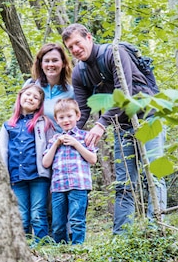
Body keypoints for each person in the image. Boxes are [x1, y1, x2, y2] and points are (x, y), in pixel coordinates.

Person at [61, 23, 167, 234]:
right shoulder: (79, 73)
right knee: (124, 183)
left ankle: (157, 232)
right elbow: (82, 110)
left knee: (154, 176)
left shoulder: (114, 54)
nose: (74, 49)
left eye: (77, 43)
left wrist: (101, 125)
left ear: (89, 37)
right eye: (70, 47)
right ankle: (122, 238)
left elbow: (123, 92)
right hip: (121, 126)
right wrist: (67, 136)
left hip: (148, 118)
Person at [0, 84, 54, 242]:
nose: (31, 98)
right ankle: (24, 247)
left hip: (38, 176)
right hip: (17, 176)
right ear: (20, 96)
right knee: (21, 215)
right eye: (28, 94)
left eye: (36, 98)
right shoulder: (9, 125)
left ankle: (41, 245)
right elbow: (3, 150)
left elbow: (51, 146)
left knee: (38, 213)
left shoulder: (44, 123)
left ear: (39, 105)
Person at [42, 98, 97, 244]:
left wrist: (76, 144)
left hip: (79, 185)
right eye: (61, 117)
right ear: (56, 120)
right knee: (58, 223)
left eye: (69, 116)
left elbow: (92, 159)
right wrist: (56, 144)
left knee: (77, 219)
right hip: (59, 187)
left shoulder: (85, 137)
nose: (66, 120)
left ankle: (78, 248)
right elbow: (46, 163)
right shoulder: (53, 139)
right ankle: (61, 248)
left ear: (77, 116)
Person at [23, 43, 75, 131]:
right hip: (30, 142)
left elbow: (74, 123)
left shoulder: (71, 92)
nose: (50, 64)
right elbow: (17, 114)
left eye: (55, 60)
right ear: (41, 64)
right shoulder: (30, 85)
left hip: (59, 142)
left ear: (63, 63)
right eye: (46, 61)